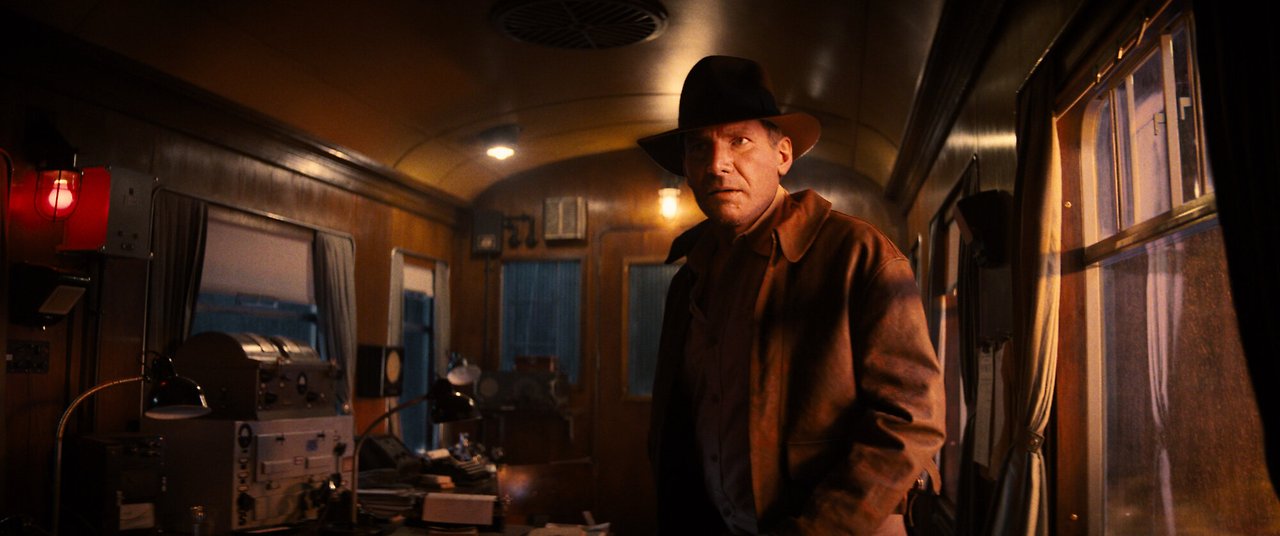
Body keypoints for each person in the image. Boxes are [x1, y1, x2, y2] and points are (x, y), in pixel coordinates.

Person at [637, 55, 946, 535]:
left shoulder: (857, 255)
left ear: (782, 155)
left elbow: (912, 418)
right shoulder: (690, 278)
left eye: (739, 141)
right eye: (699, 147)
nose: (717, 164)